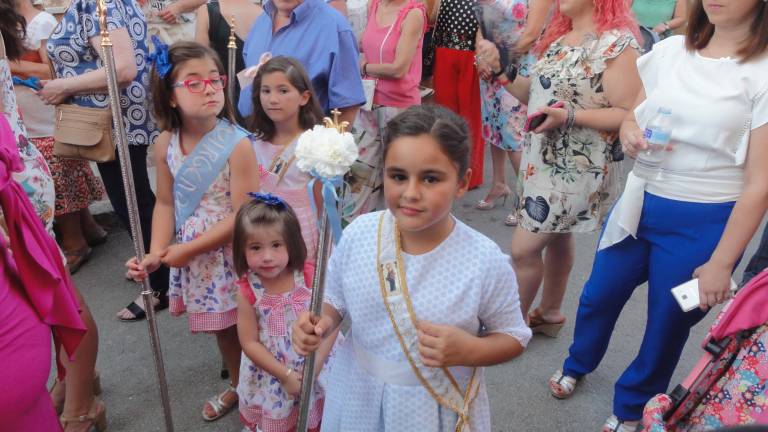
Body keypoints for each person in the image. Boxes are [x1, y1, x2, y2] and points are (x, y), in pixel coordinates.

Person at [548, 0, 768, 430]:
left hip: (704, 218)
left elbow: (761, 182)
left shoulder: (763, 73)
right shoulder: (671, 51)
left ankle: (632, 407)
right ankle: (578, 361)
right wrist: (630, 130)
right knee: (598, 294)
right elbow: (635, 109)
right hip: (639, 200)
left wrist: (723, 263)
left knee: (668, 322)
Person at [292, 104, 532, 431]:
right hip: (357, 394)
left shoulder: (484, 261)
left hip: (430, 406)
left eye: (431, 178)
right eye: (398, 176)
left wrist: (471, 349)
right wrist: (319, 323)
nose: (411, 193)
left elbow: (513, 337)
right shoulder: (360, 234)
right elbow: (335, 298)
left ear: (462, 183)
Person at [477, 0, 641, 337]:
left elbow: (629, 112)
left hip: (577, 166)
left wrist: (568, 117)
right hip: (543, 161)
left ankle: (510, 327)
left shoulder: (618, 45)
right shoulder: (559, 38)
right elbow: (535, 96)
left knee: (524, 249)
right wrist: (502, 74)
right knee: (557, 236)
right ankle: (550, 312)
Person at [126, 41, 260, 421]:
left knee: (252, 325)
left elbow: (244, 212)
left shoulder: (237, 144)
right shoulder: (166, 143)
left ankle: (265, 388)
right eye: (194, 83)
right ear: (169, 97)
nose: (210, 89)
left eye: (215, 80)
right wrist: (155, 253)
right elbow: (166, 204)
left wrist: (188, 249)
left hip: (234, 249)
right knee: (225, 330)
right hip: (197, 255)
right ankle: (238, 384)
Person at [40, 0, 171, 322]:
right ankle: (157, 264)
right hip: (113, 119)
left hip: (112, 122)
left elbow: (122, 68)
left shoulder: (97, 3)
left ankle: (162, 285)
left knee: (132, 201)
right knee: (137, 199)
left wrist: (62, 85)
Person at [1, 14, 100, 432]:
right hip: (18, 171)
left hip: (14, 182)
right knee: (41, 295)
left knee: (54, 292)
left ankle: (81, 400)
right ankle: (72, 381)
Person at [10, 0, 107, 274]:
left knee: (59, 177)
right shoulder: (17, 25)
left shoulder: (40, 23)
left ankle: (75, 243)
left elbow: (51, 70)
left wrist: (10, 65)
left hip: (45, 118)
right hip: (32, 117)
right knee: (63, 174)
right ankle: (89, 228)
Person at [234, 194, 335, 432]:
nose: (267, 256)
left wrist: (316, 365)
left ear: (292, 243)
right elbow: (249, 342)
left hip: (318, 361)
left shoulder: (311, 275)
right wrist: (286, 375)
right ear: (242, 249)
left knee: (322, 418)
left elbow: (332, 323)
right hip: (273, 374)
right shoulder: (248, 289)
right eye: (256, 247)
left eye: (276, 245)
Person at [342, 0, 426, 223]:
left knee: (398, 177)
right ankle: (353, 234)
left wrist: (364, 67)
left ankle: (399, 237)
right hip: (368, 103)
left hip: (400, 109)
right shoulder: (375, 6)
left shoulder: (413, 13)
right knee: (358, 175)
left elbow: (399, 68)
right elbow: (361, 43)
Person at [474, 0, 552, 227]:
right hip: (490, 66)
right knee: (493, 128)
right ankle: (499, 184)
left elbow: (531, 35)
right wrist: (481, 58)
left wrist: (499, 60)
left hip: (517, 68)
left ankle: (526, 198)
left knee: (514, 135)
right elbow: (481, 25)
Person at [248, 56, 324, 282]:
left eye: (283, 91)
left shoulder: (314, 143)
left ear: (304, 96)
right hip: (262, 229)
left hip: (300, 228)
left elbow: (322, 203)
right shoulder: (253, 143)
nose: (273, 99)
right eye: (266, 91)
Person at [237, 0, 365, 126]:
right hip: (251, 136)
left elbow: (347, 106)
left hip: (303, 142)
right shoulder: (262, 21)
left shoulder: (334, 27)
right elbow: (248, 74)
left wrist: (328, 146)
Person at [431, 0, 484, 189]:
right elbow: (433, 17)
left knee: (471, 116)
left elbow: (489, 20)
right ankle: (445, 169)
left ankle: (471, 173)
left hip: (472, 53)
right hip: (444, 50)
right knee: (444, 114)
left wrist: (482, 55)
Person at [194, 0, 263, 124]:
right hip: (253, 100)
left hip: (218, 100)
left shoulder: (207, 11)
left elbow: (198, 64)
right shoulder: (263, 14)